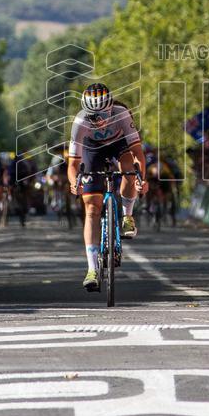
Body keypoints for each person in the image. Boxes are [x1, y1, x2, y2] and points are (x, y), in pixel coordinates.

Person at [67, 82, 148, 292]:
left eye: (104, 114)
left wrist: (141, 179)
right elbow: (73, 164)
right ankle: (92, 269)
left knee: (128, 168)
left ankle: (127, 216)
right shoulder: (80, 122)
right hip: (92, 150)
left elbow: (138, 154)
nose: (100, 121)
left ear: (111, 108)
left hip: (118, 144)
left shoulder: (121, 114)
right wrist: (75, 182)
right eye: (94, 116)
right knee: (91, 207)